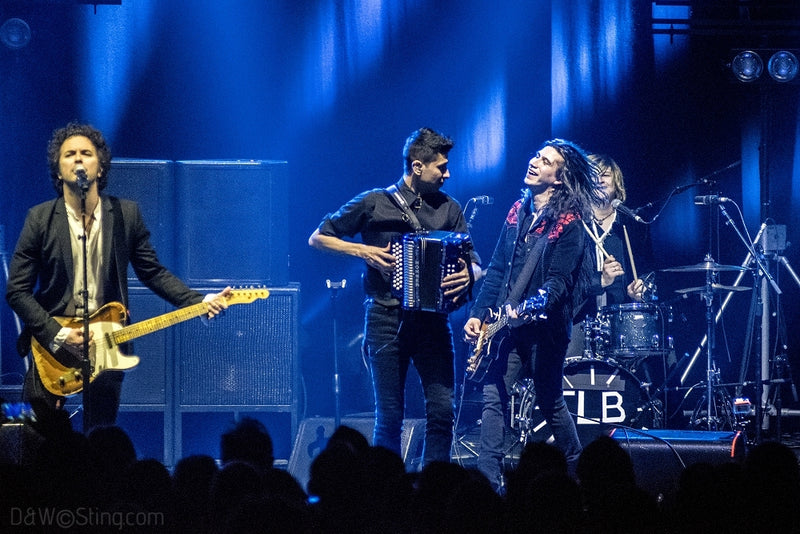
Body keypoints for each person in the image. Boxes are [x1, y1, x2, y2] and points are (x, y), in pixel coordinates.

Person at [5, 122, 231, 431]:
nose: (79, 160)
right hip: (52, 344)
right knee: (34, 431)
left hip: (108, 343)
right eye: (69, 154)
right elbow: (17, 290)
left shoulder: (126, 215)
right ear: (58, 171)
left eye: (87, 153)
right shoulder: (39, 218)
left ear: (100, 167)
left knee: (100, 434)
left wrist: (198, 301)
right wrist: (59, 334)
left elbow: (152, 272)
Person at [309, 127, 481, 466]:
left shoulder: (450, 209)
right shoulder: (375, 202)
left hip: (433, 323)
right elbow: (318, 238)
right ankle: (385, 494)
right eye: (441, 167)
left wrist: (469, 274)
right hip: (385, 319)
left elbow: (476, 263)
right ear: (417, 166)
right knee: (389, 417)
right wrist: (364, 252)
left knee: (443, 411)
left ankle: (434, 489)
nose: (448, 174)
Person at [463, 138, 603, 492]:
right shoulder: (517, 212)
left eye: (546, 161)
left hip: (546, 328)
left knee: (549, 398)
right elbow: (496, 270)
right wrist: (479, 314)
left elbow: (558, 283)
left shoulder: (570, 222)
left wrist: (530, 307)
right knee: (494, 396)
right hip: (507, 325)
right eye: (536, 155)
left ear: (559, 177)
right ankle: (486, 482)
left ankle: (578, 471)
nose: (534, 162)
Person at [567, 153, 650, 358]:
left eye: (605, 175)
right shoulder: (574, 223)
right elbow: (564, 280)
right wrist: (600, 280)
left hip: (619, 319)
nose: (599, 180)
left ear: (617, 183)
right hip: (578, 317)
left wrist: (638, 291)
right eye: (593, 175)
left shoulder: (628, 225)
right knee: (568, 369)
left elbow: (646, 269)